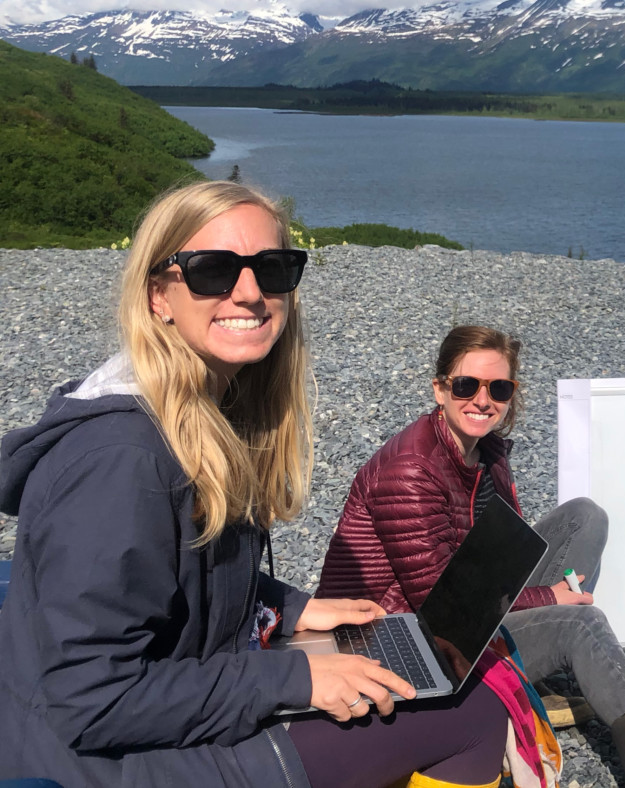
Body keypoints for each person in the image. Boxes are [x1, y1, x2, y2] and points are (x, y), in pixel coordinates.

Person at [0, 182, 509, 788]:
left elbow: (175, 573)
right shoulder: (121, 462)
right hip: (94, 762)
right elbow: (91, 700)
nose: (249, 292)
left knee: (428, 681)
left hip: (150, 720)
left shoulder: (198, 411)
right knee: (470, 713)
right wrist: (297, 680)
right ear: (157, 295)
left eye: (272, 268)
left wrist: (288, 607)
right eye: (211, 270)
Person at [317, 325, 625, 788]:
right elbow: (443, 606)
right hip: (400, 638)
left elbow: (508, 553)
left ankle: (546, 678)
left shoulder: (485, 451)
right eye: (466, 385)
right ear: (439, 389)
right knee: (580, 623)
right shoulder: (410, 469)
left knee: (584, 516)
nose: (483, 401)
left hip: (463, 605)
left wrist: (545, 594)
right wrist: (551, 598)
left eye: (499, 388)